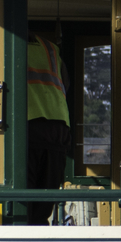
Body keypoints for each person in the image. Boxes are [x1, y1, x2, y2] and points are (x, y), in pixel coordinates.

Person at [26, 26, 74, 224]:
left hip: (27, 124)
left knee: (23, 202)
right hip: (58, 125)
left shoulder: (4, 44)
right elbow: (66, 84)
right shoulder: (51, 48)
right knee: (44, 200)